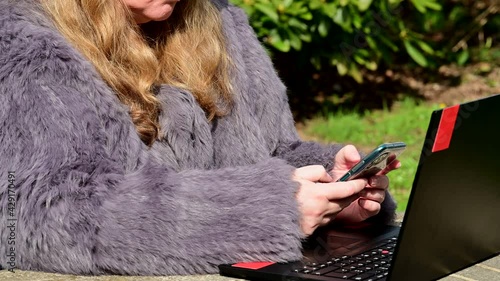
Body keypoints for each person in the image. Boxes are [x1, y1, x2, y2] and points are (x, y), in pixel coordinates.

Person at [0, 0, 398, 276]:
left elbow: (274, 152)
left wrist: (334, 192)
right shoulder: (20, 42)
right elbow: (39, 219)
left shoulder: (221, 25)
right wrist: (270, 210)